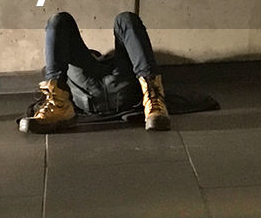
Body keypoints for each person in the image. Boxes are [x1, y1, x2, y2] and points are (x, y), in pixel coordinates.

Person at [19, 11, 170, 133]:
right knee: (60, 20)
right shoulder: (82, 65)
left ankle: (153, 95)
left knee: (125, 18)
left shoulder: (110, 61)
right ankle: (58, 103)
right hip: (96, 90)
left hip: (108, 90)